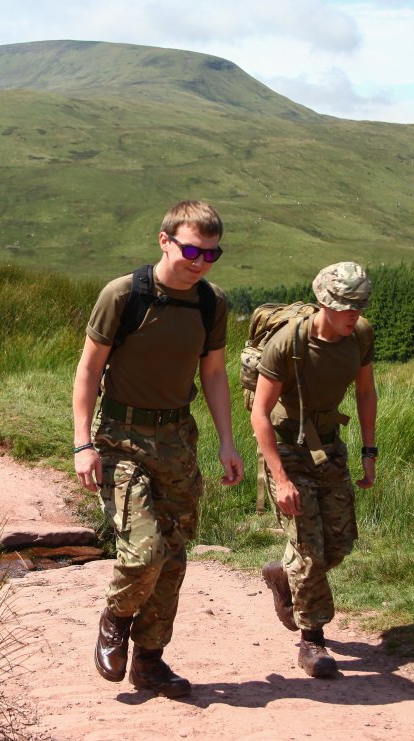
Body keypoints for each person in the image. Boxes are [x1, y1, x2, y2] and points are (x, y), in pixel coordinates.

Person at [72, 199, 244, 698]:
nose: (200, 261)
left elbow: (212, 373)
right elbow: (88, 371)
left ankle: (150, 659)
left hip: (177, 440)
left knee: (172, 556)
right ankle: (115, 617)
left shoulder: (211, 302)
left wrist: (228, 443)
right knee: (144, 550)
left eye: (212, 254)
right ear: (165, 240)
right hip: (120, 437)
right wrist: (83, 444)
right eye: (192, 250)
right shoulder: (123, 295)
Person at [250, 262, 377, 678]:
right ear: (324, 301)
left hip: (329, 448)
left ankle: (282, 576)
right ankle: (312, 640)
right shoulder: (289, 343)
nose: (352, 313)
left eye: (358, 305)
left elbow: (364, 391)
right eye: (344, 305)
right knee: (309, 548)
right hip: (286, 448)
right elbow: (260, 414)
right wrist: (281, 479)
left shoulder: (360, 335)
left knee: (337, 544)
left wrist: (369, 451)